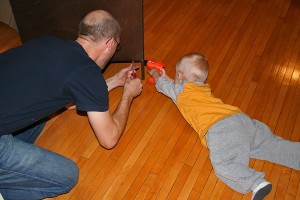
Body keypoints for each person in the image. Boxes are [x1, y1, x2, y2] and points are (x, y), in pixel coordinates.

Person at [0, 10, 142, 200]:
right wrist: (128, 95)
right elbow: (109, 139)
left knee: (43, 112)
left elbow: (72, 97)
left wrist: (115, 81)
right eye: (117, 45)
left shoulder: (48, 42)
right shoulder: (87, 74)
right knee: (67, 176)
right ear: (109, 43)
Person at [148, 53, 300, 200]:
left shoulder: (179, 91)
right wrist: (169, 77)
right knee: (267, 144)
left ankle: (256, 183)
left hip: (221, 129)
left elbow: (163, 85)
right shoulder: (203, 88)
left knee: (224, 164)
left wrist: (155, 73)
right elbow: (178, 87)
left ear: (180, 76)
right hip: (241, 120)